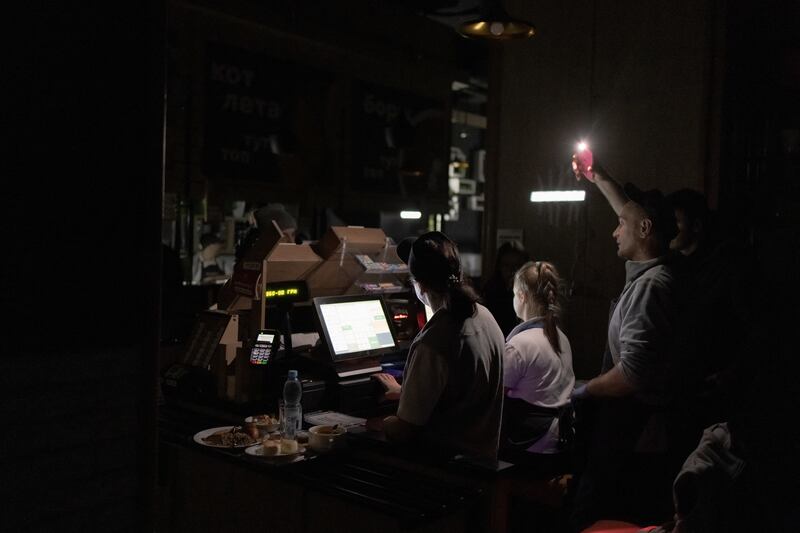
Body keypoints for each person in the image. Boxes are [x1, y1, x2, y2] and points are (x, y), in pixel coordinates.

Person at [569, 156, 683, 529]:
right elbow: (632, 212)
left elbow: (633, 374)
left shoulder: (652, 287)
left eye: (621, 224)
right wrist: (599, 176)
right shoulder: (654, 270)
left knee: (600, 515)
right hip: (632, 431)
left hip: (632, 434)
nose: (614, 232)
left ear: (645, 229)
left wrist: (584, 390)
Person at [370, 231, 505, 462]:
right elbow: (460, 395)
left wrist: (381, 423)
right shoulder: (485, 317)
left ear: (420, 286)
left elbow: (404, 430)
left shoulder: (434, 341)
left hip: (444, 469)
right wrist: (405, 393)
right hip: (483, 461)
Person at [501, 260, 575, 460]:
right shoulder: (562, 338)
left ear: (522, 296)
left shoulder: (520, 345)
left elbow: (495, 397)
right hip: (562, 441)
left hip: (529, 446)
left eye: (514, 294)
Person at [482, 242, 530, 336]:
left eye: (517, 265)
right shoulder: (490, 292)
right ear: (499, 267)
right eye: (506, 265)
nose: (512, 271)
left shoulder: (531, 293)